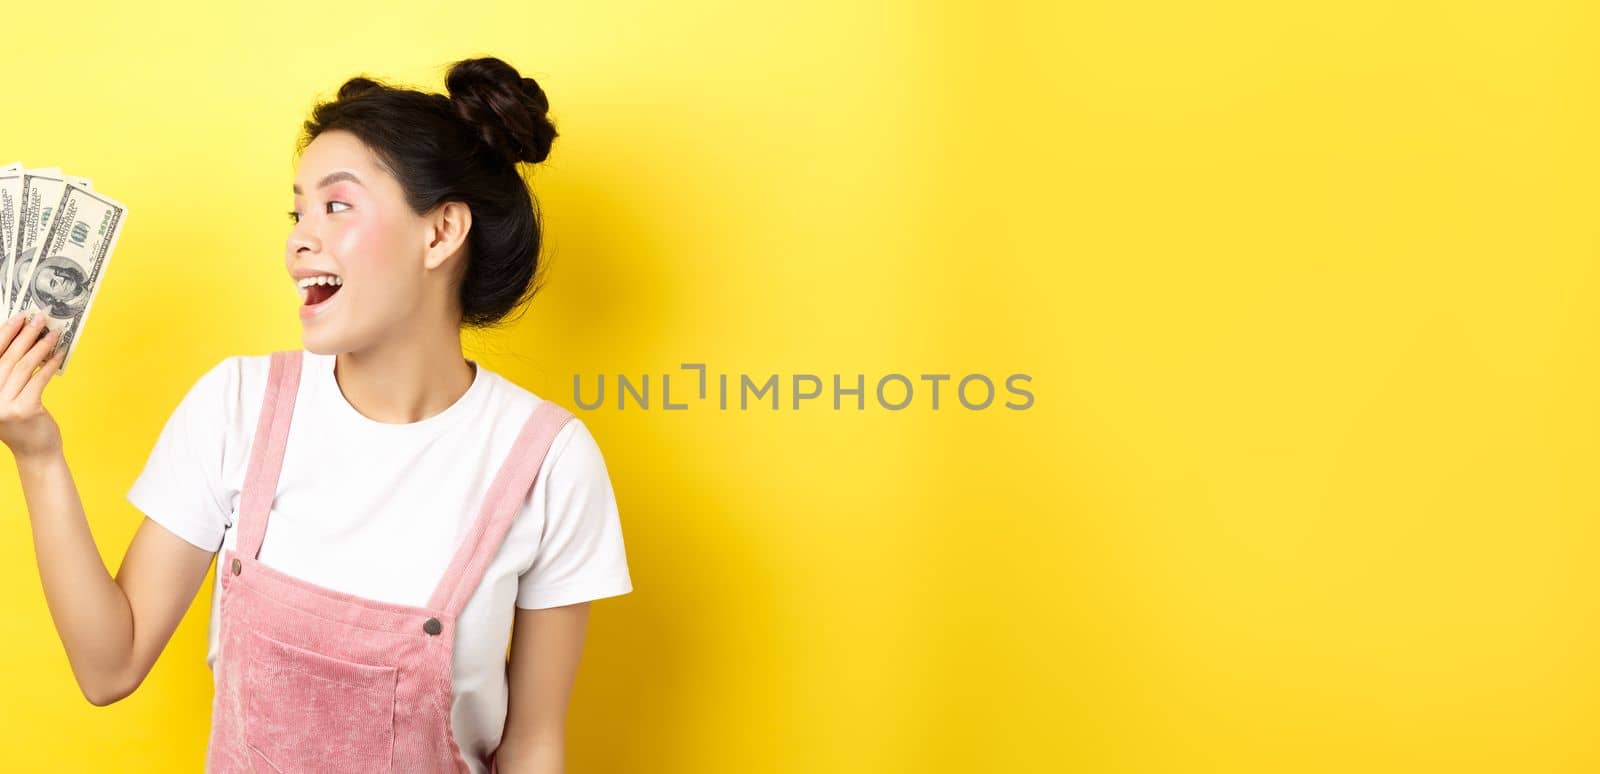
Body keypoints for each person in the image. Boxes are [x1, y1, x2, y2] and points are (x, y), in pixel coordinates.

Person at [2, 56, 633, 773]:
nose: (299, 239)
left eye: (338, 206)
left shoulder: (549, 461)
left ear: (441, 233)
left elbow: (533, 746)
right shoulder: (237, 406)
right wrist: (36, 453)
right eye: (297, 212)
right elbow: (108, 668)